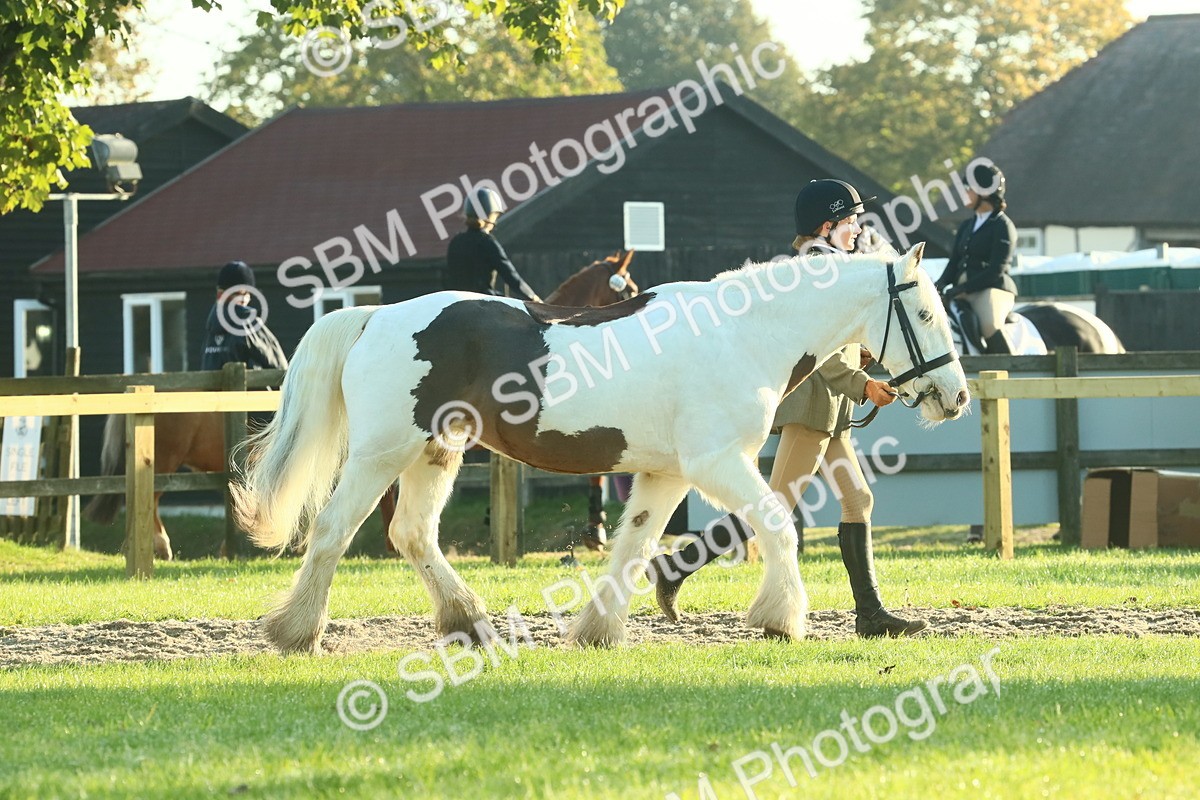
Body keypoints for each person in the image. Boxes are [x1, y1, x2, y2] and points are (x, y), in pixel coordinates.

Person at [645, 179, 929, 639]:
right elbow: (822, 357)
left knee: (857, 500)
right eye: (851, 221)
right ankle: (679, 568)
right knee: (773, 507)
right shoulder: (816, 271)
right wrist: (863, 385)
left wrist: (861, 356)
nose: (859, 230)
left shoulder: (831, 268)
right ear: (826, 226)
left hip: (830, 413)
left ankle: (870, 615)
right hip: (810, 409)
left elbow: (836, 344)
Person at [935, 162, 1019, 354]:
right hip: (962, 291)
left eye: (968, 188)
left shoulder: (1002, 226)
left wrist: (963, 288)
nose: (964, 193)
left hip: (992, 289)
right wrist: (939, 285)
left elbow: (996, 270)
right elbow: (954, 262)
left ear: (985, 192)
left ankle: (1011, 365)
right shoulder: (966, 226)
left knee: (989, 324)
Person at [445, 188, 541, 302]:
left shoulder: (456, 241)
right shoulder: (487, 242)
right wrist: (533, 297)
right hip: (483, 302)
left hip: (456, 302)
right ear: (490, 215)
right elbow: (511, 276)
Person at [200, 260, 288, 371]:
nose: (245, 300)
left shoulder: (211, 330)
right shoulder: (248, 324)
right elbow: (280, 366)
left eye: (248, 294)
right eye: (239, 294)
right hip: (250, 382)